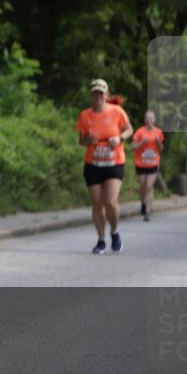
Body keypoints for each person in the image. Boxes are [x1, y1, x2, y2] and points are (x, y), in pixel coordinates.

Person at [76, 79, 133, 254]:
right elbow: (81, 141)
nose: (98, 96)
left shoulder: (117, 112)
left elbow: (129, 129)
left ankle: (115, 232)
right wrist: (88, 140)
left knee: (110, 201)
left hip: (114, 162)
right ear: (91, 96)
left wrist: (120, 138)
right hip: (93, 163)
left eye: (101, 93)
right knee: (97, 202)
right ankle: (101, 240)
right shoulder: (85, 116)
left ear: (106, 95)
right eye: (95, 93)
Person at [132, 110, 164, 221]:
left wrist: (158, 143)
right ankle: (143, 203)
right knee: (143, 186)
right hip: (140, 163)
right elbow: (133, 147)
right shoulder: (139, 132)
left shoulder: (158, 132)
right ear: (145, 120)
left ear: (154, 120)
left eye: (151, 118)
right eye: (147, 118)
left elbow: (161, 150)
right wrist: (141, 143)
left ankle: (147, 211)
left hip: (153, 163)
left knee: (149, 186)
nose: (149, 120)